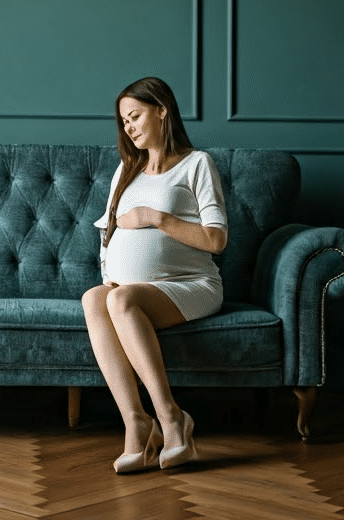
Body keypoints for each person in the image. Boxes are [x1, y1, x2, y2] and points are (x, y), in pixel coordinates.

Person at [85, 76, 227, 473]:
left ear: (162, 110)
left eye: (135, 116)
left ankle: (171, 418)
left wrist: (155, 218)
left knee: (120, 299)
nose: (128, 128)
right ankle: (136, 422)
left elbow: (216, 240)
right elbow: (107, 237)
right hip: (132, 289)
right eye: (123, 122)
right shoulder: (125, 172)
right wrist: (111, 273)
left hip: (191, 285)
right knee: (96, 297)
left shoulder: (197, 164)